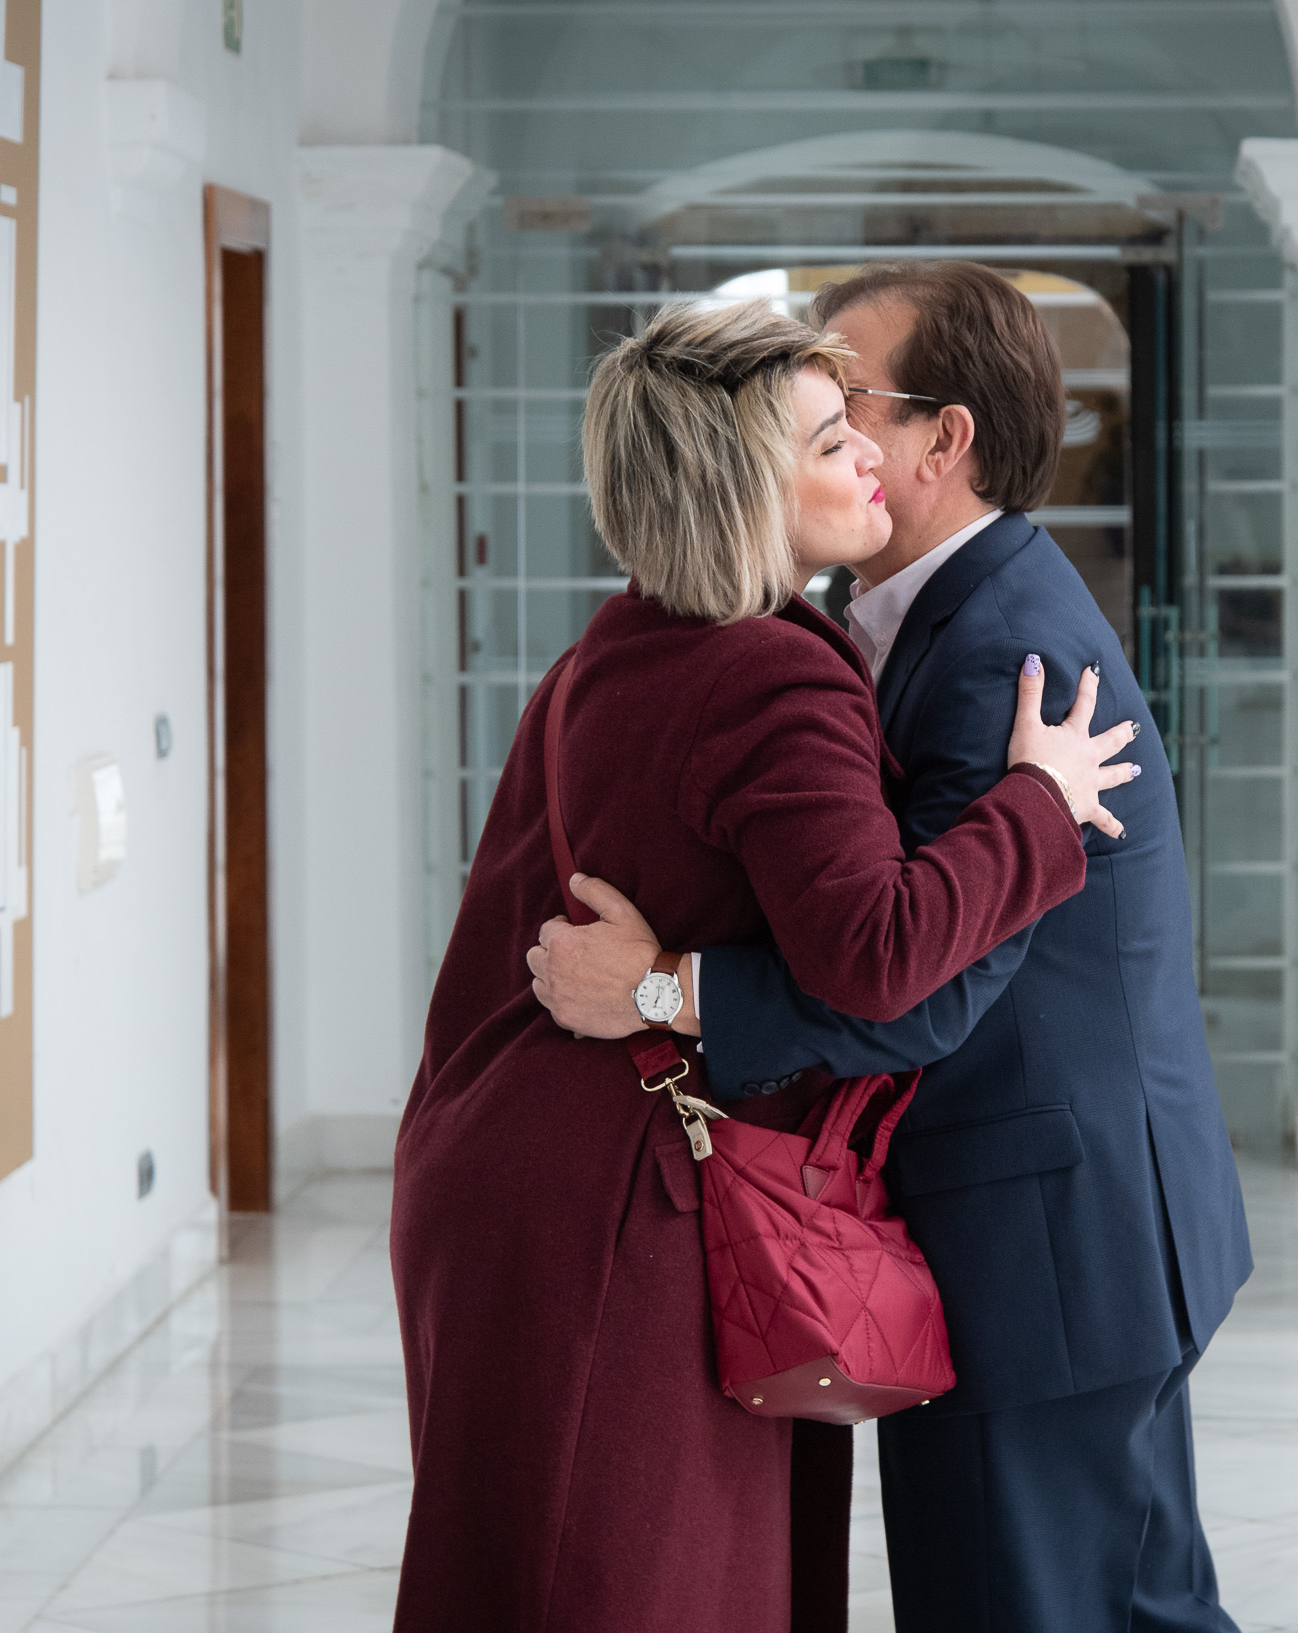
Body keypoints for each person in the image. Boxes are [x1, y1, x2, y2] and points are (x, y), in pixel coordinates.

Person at [388, 298, 1138, 1633]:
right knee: (641, 1584)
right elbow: (875, 954)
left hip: (503, 1175)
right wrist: (1038, 805)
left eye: (861, 422)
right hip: (626, 1207)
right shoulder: (770, 681)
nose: (866, 458)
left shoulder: (610, 648)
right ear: (740, 484)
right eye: (826, 436)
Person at [531, 262, 1253, 1633]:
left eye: (852, 401)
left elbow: (909, 987)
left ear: (944, 437)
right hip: (1057, 1214)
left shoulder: (1001, 658)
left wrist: (655, 989)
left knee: (1041, 1603)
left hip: (1042, 1233)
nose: (843, 437)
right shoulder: (910, 616)